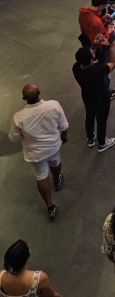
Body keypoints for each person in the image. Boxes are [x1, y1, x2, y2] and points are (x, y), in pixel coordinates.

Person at [8, 85, 69, 220]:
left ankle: (50, 206)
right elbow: (64, 125)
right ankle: (57, 180)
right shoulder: (53, 105)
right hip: (52, 146)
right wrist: (64, 135)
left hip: (34, 154)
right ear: (39, 93)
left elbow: (13, 138)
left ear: (24, 98)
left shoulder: (19, 117)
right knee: (55, 162)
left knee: (41, 175)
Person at [72, 46, 115, 151]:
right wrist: (109, 47)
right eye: (92, 52)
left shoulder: (76, 68)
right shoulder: (98, 71)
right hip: (101, 100)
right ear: (91, 59)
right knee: (101, 120)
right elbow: (114, 62)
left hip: (87, 97)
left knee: (89, 116)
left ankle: (90, 137)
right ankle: (102, 143)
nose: (93, 51)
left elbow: (85, 56)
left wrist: (94, 45)